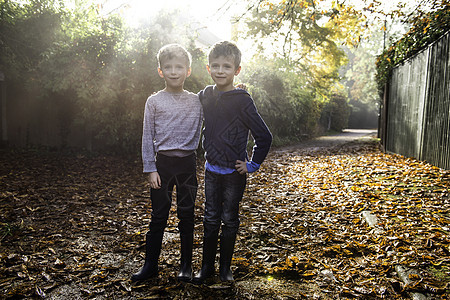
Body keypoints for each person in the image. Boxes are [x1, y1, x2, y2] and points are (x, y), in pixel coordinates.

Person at [193, 41, 272, 284]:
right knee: (210, 217)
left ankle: (225, 268)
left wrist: (252, 164)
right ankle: (206, 268)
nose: (220, 71)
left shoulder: (242, 100)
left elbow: (264, 135)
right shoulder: (205, 94)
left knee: (230, 218)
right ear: (208, 68)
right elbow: (190, 111)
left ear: (237, 70)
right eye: (215, 65)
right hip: (211, 170)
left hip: (233, 174)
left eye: (226, 66)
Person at [131, 44, 203, 282]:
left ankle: (186, 266)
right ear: (160, 71)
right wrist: (150, 168)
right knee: (159, 217)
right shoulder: (153, 101)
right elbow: (147, 135)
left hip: (187, 166)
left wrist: (238, 90)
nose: (174, 72)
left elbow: (220, 100)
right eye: (168, 67)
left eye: (179, 67)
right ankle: (150, 265)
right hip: (162, 167)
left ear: (188, 71)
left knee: (187, 216)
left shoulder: (198, 101)